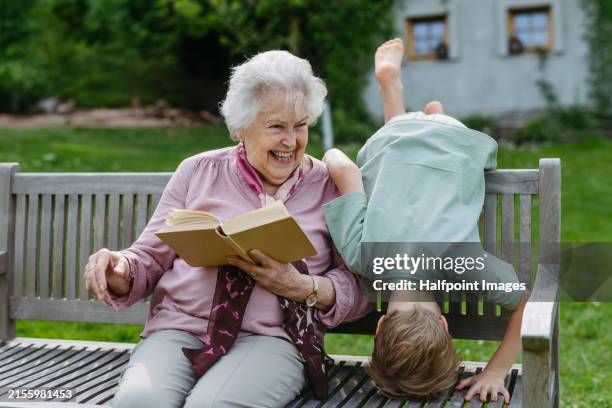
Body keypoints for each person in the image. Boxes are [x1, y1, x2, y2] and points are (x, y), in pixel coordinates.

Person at [83, 50, 371, 408]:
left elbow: (361, 284)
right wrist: (119, 268)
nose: (291, 141)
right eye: (276, 126)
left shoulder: (329, 186)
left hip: (272, 339)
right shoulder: (197, 171)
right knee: (137, 403)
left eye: (300, 126)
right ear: (240, 129)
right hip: (179, 330)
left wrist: (305, 287)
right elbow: (149, 257)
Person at [322, 38, 529, 403]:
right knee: (391, 164)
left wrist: (496, 368)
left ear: (445, 327)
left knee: (424, 149)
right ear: (380, 326)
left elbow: (524, 301)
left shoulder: (463, 263)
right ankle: (402, 97)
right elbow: (342, 165)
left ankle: (431, 112)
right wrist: (326, 159)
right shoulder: (364, 257)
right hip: (390, 141)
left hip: (455, 140)